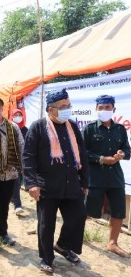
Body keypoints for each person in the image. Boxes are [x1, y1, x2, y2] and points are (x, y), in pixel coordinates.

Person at [22, 88, 89, 273]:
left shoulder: (73, 126)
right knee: (46, 224)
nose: (68, 109)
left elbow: (82, 155)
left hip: (71, 183)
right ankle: (46, 258)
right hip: (47, 186)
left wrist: (84, 182)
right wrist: (31, 183)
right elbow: (28, 157)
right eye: (63, 106)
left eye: (69, 105)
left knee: (79, 215)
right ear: (51, 109)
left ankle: (62, 245)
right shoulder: (38, 127)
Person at [82, 95, 130, 258]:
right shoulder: (89, 129)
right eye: (101, 108)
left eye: (107, 107)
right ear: (96, 109)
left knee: (118, 210)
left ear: (113, 109)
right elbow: (83, 153)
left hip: (115, 177)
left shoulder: (120, 129)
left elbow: (127, 149)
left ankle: (112, 243)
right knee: (88, 209)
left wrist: (122, 154)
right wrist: (102, 159)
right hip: (95, 177)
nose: (104, 110)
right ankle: (76, 237)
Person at [0, 96, 23, 246]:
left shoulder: (13, 127)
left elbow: (21, 146)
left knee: (4, 206)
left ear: (1, 108)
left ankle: (3, 232)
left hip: (10, 174)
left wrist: (21, 167)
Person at [11, 109, 28, 215]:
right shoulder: (9, 127)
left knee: (18, 180)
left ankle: (13, 198)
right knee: (16, 181)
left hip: (23, 159)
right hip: (12, 159)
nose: (18, 117)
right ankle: (18, 204)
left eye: (19, 115)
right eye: (15, 115)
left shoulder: (26, 130)